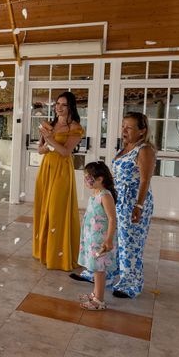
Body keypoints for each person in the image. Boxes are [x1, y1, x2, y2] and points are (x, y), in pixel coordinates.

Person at [71, 112, 155, 299]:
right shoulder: (125, 147)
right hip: (118, 200)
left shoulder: (144, 150)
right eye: (123, 125)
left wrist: (138, 206)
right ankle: (104, 275)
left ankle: (130, 284)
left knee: (131, 244)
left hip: (134, 202)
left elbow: (145, 180)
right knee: (114, 240)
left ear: (142, 131)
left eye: (129, 127)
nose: (124, 130)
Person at [33, 91, 84, 271]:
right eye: (57, 104)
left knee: (56, 210)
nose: (59, 108)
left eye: (63, 105)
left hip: (62, 170)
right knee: (44, 207)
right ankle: (44, 252)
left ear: (71, 107)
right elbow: (39, 150)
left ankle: (59, 256)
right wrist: (46, 145)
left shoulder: (75, 128)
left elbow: (65, 152)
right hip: (47, 168)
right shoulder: (50, 125)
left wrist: (49, 139)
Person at [77, 161, 117, 310]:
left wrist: (109, 239)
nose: (86, 180)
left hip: (101, 240)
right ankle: (95, 294)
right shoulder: (95, 193)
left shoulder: (105, 196)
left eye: (88, 177)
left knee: (99, 269)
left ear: (100, 179)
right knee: (94, 267)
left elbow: (112, 219)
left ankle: (99, 300)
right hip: (92, 238)